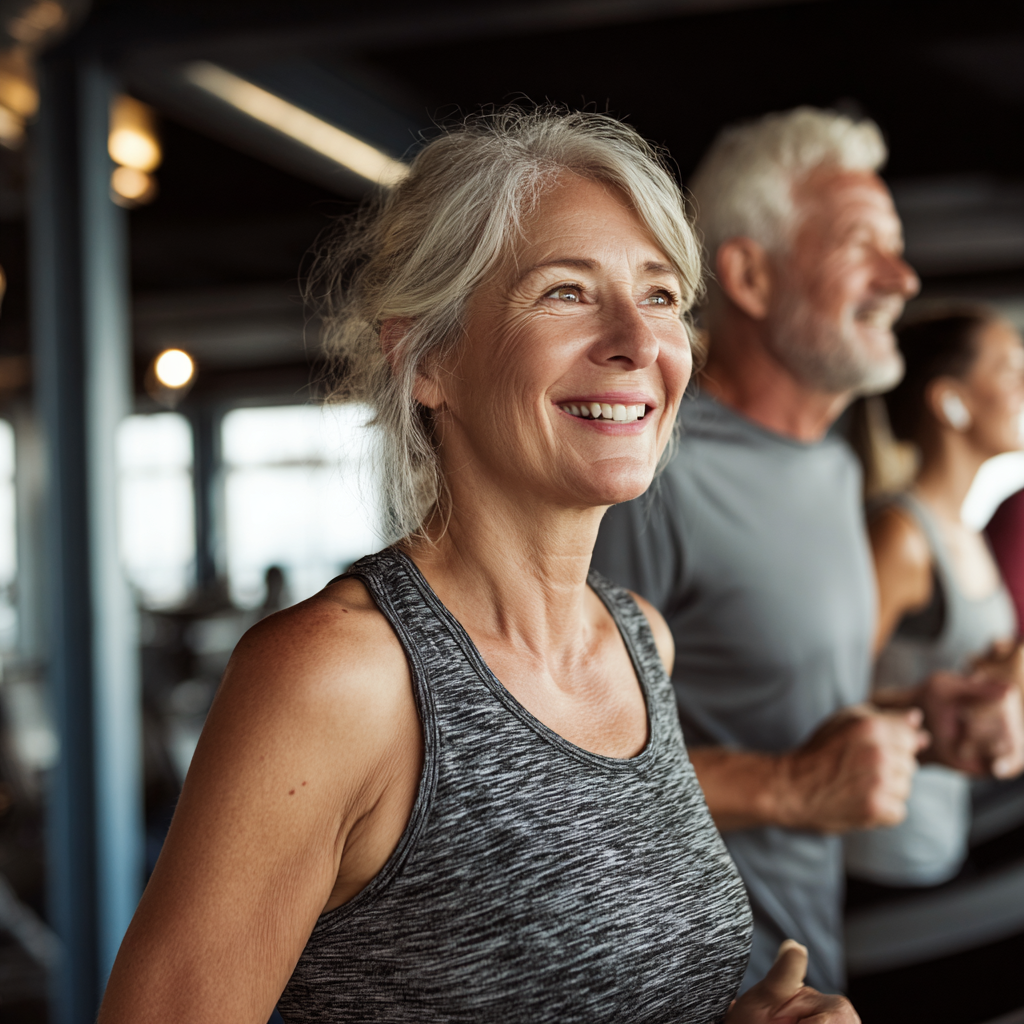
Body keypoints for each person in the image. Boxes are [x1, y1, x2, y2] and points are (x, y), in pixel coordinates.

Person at [97, 108, 857, 1024]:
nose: (637, 341)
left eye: (660, 296)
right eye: (567, 293)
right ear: (426, 360)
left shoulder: (638, 641)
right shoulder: (338, 680)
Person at [593, 107, 934, 995]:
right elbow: (563, 775)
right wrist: (791, 787)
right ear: (746, 272)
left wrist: (926, 717)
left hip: (806, 970)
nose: (903, 277)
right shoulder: (654, 474)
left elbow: (783, 704)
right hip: (687, 989)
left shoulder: (829, 464)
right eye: (863, 245)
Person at [846, 309, 1024, 888]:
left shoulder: (966, 529)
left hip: (940, 835)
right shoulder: (900, 537)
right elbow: (829, 702)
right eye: (1010, 370)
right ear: (950, 402)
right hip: (882, 852)